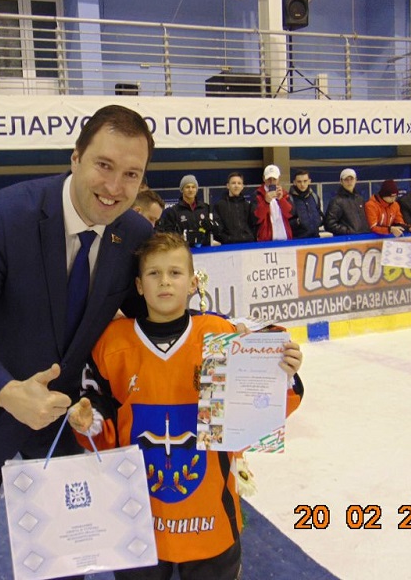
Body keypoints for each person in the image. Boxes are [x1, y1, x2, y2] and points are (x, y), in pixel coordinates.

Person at [0, 104, 155, 579]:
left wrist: (230, 345)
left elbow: (153, 316)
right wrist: (8, 392)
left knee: (65, 553)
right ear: (75, 157)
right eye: (104, 165)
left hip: (60, 419)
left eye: (131, 174)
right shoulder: (6, 214)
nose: (115, 187)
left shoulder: (134, 233)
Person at [67, 232, 303, 579]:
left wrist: (284, 373)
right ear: (139, 285)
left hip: (210, 515)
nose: (165, 281)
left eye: (175, 273)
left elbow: (257, 405)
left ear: (193, 283)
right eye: (154, 273)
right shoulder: (112, 343)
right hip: (137, 518)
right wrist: (90, 421)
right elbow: (100, 410)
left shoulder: (218, 335)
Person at [156, 174, 220, 247]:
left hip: (205, 249)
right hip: (183, 249)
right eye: (187, 187)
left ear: (196, 189)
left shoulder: (206, 208)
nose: (190, 190)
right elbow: (168, 233)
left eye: (193, 187)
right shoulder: (174, 211)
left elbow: (219, 229)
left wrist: (212, 225)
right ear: (182, 189)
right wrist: (181, 237)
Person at [250, 164, 294, 241]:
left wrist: (281, 199)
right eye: (269, 179)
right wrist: (266, 202)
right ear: (264, 179)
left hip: (284, 238)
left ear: (278, 179)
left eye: (274, 179)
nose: (271, 182)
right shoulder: (257, 195)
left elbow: (290, 214)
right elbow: (255, 219)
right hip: (266, 240)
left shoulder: (284, 194)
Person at [323, 168, 371, 236]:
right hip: (346, 240)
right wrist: (348, 231)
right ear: (341, 181)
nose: (349, 182)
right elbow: (329, 224)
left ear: (356, 180)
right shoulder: (336, 201)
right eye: (346, 179)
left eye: (351, 179)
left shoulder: (360, 199)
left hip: (363, 238)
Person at [213, 171, 255, 244]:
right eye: (233, 183)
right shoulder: (220, 205)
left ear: (242, 186)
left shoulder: (247, 205)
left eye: (239, 183)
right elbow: (218, 228)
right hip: (228, 245)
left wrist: (249, 236)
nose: (236, 185)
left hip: (247, 244)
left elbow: (253, 225)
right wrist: (226, 239)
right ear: (228, 186)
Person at [288, 169, 323, 238]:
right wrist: (297, 222)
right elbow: (285, 222)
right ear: (294, 182)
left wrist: (319, 220)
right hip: (298, 240)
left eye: (305, 181)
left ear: (309, 181)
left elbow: (320, 214)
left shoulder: (314, 197)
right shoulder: (289, 199)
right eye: (299, 182)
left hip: (316, 238)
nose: (302, 184)